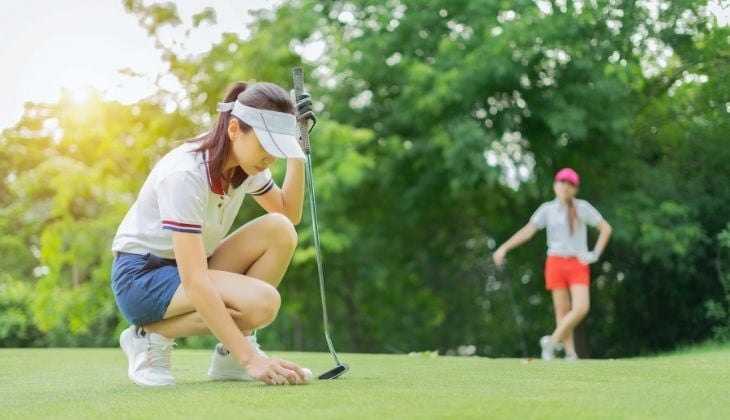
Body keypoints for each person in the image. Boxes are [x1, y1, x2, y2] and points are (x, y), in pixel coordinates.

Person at [111, 81, 316, 386]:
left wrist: (298, 150)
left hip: (189, 269)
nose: (272, 157)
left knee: (280, 230)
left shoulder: (247, 165)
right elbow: (195, 281)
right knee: (262, 303)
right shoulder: (185, 174)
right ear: (234, 129)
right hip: (142, 277)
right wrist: (252, 360)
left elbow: (288, 212)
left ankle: (229, 358)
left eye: (278, 148)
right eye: (266, 145)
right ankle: (149, 336)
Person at [493, 168, 612, 361]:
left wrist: (595, 254)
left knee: (581, 307)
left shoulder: (582, 207)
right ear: (555, 185)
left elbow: (605, 228)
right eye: (562, 182)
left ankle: (551, 341)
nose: (565, 187)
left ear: (575, 189)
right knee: (562, 310)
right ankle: (570, 353)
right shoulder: (547, 210)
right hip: (555, 262)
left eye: (570, 184)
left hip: (578, 262)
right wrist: (503, 248)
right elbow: (528, 231)